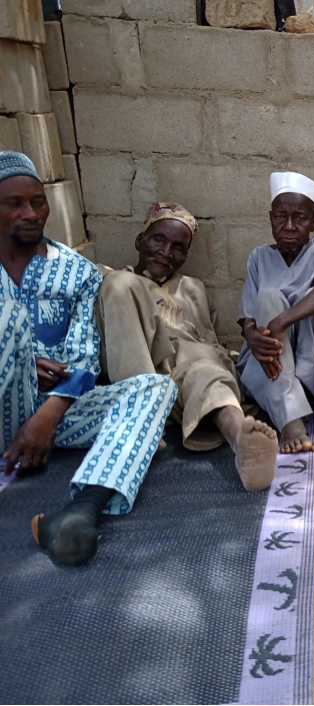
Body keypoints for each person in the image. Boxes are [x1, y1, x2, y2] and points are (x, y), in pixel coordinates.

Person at [0, 150, 177, 566]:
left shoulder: (77, 272)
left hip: (51, 412)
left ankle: (81, 511)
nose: (31, 213)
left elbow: (83, 362)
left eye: (38, 202)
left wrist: (47, 418)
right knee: (8, 320)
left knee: (156, 386)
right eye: (14, 203)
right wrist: (24, 358)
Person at [96, 202, 277, 491]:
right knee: (119, 282)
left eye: (178, 247)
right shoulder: (110, 279)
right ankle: (142, 421)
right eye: (158, 240)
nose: (166, 252)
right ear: (139, 240)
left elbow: (208, 342)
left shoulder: (193, 288)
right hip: (138, 379)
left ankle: (241, 440)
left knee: (205, 368)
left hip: (184, 380)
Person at [237, 171, 314, 456]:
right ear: (270, 219)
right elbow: (248, 317)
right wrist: (252, 336)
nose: (289, 226)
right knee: (267, 296)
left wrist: (281, 321)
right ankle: (290, 418)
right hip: (270, 363)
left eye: (300, 218)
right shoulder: (259, 257)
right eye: (281, 217)